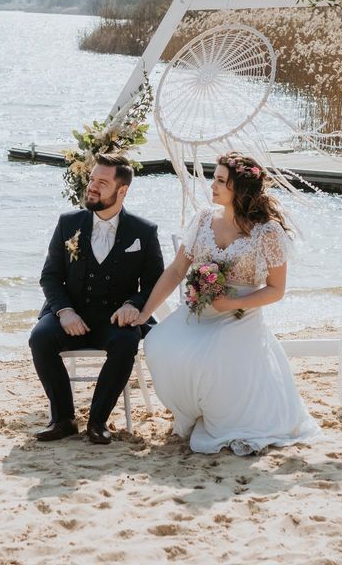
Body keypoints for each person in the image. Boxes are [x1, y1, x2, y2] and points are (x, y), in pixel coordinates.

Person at [133, 152, 321, 455]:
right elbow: (176, 270)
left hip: (240, 316)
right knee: (157, 343)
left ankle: (222, 415)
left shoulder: (267, 231)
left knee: (212, 357)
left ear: (240, 189)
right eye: (215, 178)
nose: (213, 185)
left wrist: (232, 303)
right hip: (199, 310)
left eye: (221, 180)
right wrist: (145, 313)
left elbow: (276, 290)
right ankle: (194, 411)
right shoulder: (204, 218)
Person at [29, 153, 164, 444]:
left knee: (127, 341)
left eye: (102, 182)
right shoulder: (68, 223)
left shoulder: (144, 231)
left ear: (122, 190)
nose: (92, 186)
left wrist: (133, 305)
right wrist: (64, 311)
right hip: (71, 314)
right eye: (92, 179)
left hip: (114, 319)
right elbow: (50, 276)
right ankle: (63, 418)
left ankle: (98, 421)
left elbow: (155, 283)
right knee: (40, 338)